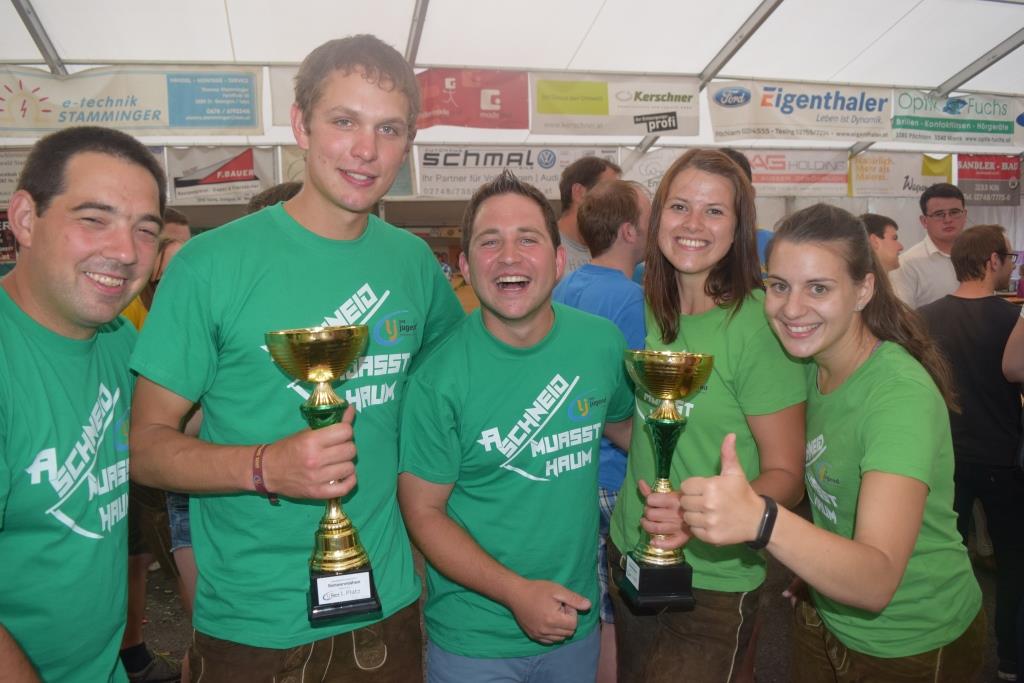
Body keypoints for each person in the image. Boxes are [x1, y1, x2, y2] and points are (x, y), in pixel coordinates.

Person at [128, 34, 463, 681]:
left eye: (388, 129)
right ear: (300, 127)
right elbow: (144, 446)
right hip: (252, 627)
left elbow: (450, 401)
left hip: (385, 613)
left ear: (408, 143)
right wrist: (265, 467)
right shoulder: (210, 265)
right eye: (344, 121)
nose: (366, 149)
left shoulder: (414, 264)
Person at [647, 203, 985, 682]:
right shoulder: (810, 364)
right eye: (779, 285)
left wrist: (762, 520)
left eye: (819, 288)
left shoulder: (897, 396)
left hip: (910, 641)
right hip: (823, 612)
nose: (792, 308)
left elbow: (876, 582)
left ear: (864, 289)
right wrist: (813, 563)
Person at [398, 170, 634, 683]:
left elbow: (625, 428)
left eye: (528, 239)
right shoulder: (436, 377)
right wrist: (515, 592)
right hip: (474, 640)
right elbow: (423, 512)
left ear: (558, 260)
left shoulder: (600, 344)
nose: (509, 257)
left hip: (575, 623)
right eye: (490, 242)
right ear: (465, 267)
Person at [608, 149, 807, 682]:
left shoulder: (759, 327)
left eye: (714, 211)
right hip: (630, 548)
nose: (693, 224)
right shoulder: (644, 309)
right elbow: (645, 430)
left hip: (714, 579)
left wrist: (695, 517)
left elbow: (787, 474)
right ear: (657, 219)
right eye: (680, 206)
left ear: (739, 228)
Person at [0, 126, 165, 682]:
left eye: (145, 230)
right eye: (94, 219)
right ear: (25, 219)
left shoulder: (119, 340)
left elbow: (172, 434)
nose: (125, 252)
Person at [551, 178, 650, 682]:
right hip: (615, 474)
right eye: (651, 218)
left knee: (587, 601)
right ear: (630, 231)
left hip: (575, 470)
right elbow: (628, 397)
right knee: (614, 613)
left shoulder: (566, 285)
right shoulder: (631, 300)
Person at [919, 224, 1022, 681]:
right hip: (1003, 456)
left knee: (943, 555)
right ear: (992, 261)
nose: (1011, 265)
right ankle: (1011, 659)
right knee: (1014, 563)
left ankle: (940, 647)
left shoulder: (923, 318)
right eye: (1009, 257)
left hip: (944, 458)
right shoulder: (1012, 321)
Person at [119, 207, 193, 683]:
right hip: (142, 465)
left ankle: (131, 652)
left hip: (170, 467)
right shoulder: (124, 318)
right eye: (165, 245)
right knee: (134, 558)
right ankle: (131, 652)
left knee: (141, 558)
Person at [890, 183, 968, 309]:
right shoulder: (907, 264)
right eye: (939, 214)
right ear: (924, 221)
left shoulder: (979, 255)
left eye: (954, 212)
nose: (948, 220)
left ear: (964, 215)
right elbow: (904, 316)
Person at [557, 157, 622, 275]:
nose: (617, 202)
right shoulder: (547, 247)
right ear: (579, 192)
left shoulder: (611, 250)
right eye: (609, 192)